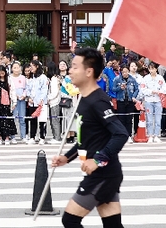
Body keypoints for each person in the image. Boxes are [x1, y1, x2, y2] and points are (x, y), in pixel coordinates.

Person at [51, 47, 129, 228]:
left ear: (89, 71)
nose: (70, 70)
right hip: (106, 174)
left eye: (74, 66)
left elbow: (120, 134)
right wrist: (66, 158)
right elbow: (84, 140)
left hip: (102, 174)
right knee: (113, 225)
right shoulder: (83, 99)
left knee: (70, 220)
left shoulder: (98, 101)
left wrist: (98, 160)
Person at [138, 62, 166, 143]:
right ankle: (150, 135)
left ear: (156, 69)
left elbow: (164, 89)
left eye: (153, 68)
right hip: (148, 100)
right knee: (149, 119)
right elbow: (142, 89)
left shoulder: (160, 78)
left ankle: (156, 135)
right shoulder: (145, 78)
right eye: (150, 68)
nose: (151, 70)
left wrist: (158, 91)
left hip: (158, 100)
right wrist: (150, 92)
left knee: (158, 118)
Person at [111, 66, 139, 143]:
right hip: (121, 100)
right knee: (121, 119)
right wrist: (120, 88)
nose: (125, 73)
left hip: (130, 101)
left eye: (126, 71)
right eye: (123, 72)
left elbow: (137, 89)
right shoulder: (117, 79)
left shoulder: (132, 79)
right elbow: (113, 89)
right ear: (121, 72)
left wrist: (134, 96)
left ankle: (129, 135)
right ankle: (122, 135)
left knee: (129, 119)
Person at [26, 60, 49, 144]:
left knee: (42, 121)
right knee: (33, 120)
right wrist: (29, 97)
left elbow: (44, 90)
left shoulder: (43, 77)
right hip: (32, 102)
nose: (30, 68)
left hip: (41, 102)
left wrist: (42, 100)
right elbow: (28, 88)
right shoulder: (31, 77)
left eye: (32, 66)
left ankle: (42, 137)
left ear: (37, 66)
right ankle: (32, 136)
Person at [10, 62, 27, 143]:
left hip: (22, 100)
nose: (16, 69)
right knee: (13, 118)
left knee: (22, 118)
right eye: (15, 67)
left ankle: (23, 136)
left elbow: (26, 88)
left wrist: (24, 95)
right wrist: (14, 96)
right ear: (12, 69)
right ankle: (12, 137)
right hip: (13, 100)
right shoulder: (9, 77)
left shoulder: (23, 78)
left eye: (18, 67)